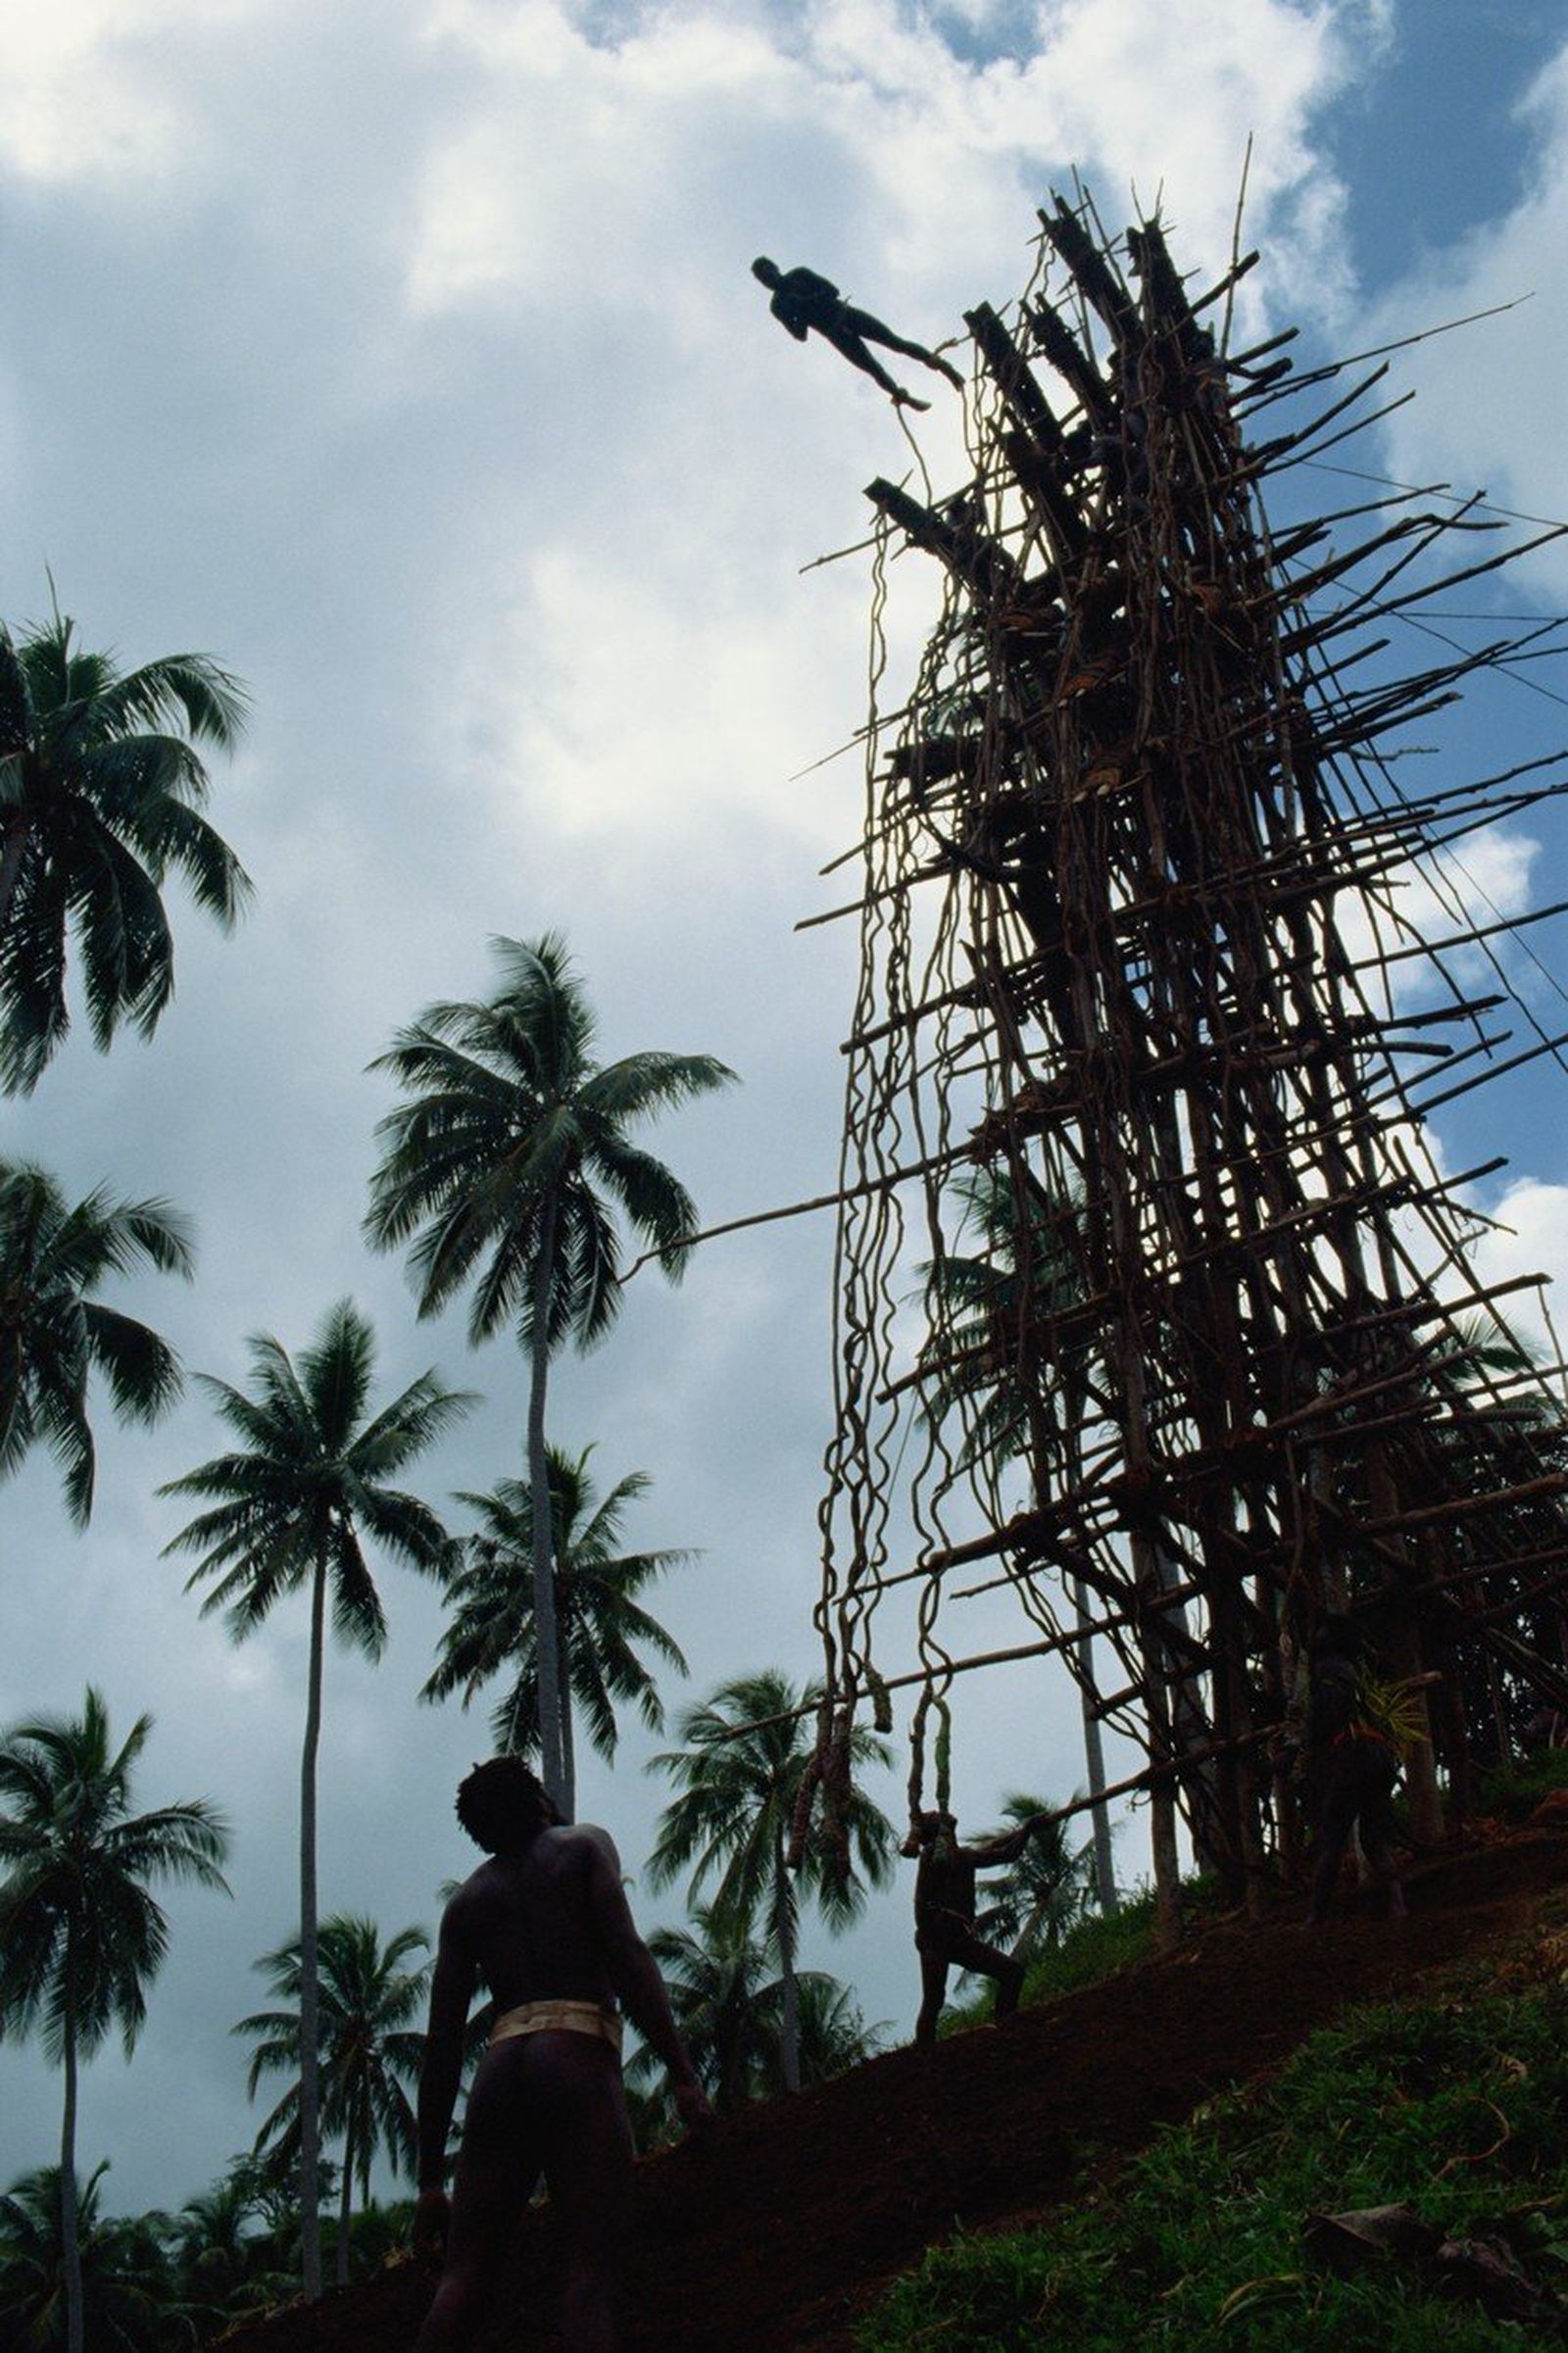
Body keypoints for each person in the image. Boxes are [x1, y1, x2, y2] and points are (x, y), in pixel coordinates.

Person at [412, 1757, 712, 2353]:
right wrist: (683, 2075)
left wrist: (428, 2183)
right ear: (541, 1802)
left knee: (463, 2277)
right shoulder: (583, 1848)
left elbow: (442, 2046)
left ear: (480, 1833)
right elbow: (627, 1957)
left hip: (500, 2069)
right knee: (587, 2275)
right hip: (575, 2053)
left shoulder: (466, 1904)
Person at [906, 1806, 1046, 2044]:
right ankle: (924, 2052)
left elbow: (1003, 1852)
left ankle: (1004, 2026)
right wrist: (1028, 1829)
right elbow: (1008, 1854)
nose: (940, 1813)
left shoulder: (958, 1856)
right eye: (937, 1818)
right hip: (940, 1939)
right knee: (935, 2000)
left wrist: (1024, 1831)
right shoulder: (944, 1857)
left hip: (949, 1939)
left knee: (1010, 1973)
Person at [752, 257, 963, 411]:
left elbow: (832, 290)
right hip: (836, 334)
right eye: (762, 279)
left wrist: (806, 302)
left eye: (766, 272)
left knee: (895, 343)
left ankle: (942, 365)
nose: (767, 279)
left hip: (847, 315)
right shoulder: (778, 306)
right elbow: (800, 336)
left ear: (774, 268)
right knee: (873, 368)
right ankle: (902, 397)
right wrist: (799, 315)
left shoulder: (799, 275)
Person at [1303, 1614, 1407, 1926]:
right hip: (1379, 1754)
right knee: (1373, 1838)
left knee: (1331, 1839)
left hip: (1352, 1755)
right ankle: (1397, 1903)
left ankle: (1316, 1916)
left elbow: (1325, 1713)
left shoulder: (1329, 1670)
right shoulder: (1362, 1671)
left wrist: (1310, 1742)